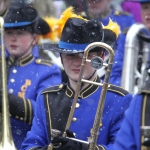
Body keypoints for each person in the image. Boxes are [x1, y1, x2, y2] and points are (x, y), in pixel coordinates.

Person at [21, 7, 133, 150]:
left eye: (84, 56)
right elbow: (30, 145)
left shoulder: (119, 99)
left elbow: (124, 147)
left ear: (101, 57)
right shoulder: (47, 98)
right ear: (61, 57)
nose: (76, 62)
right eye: (70, 56)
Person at [0, 5, 62, 149]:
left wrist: (6, 101)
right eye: (9, 33)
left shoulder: (47, 71)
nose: (13, 38)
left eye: (20, 33)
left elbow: (45, 113)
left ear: (34, 38)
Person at [113, 0, 150, 150]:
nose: (148, 14)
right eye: (145, 8)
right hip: (138, 106)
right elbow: (116, 76)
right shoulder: (132, 36)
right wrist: (134, 102)